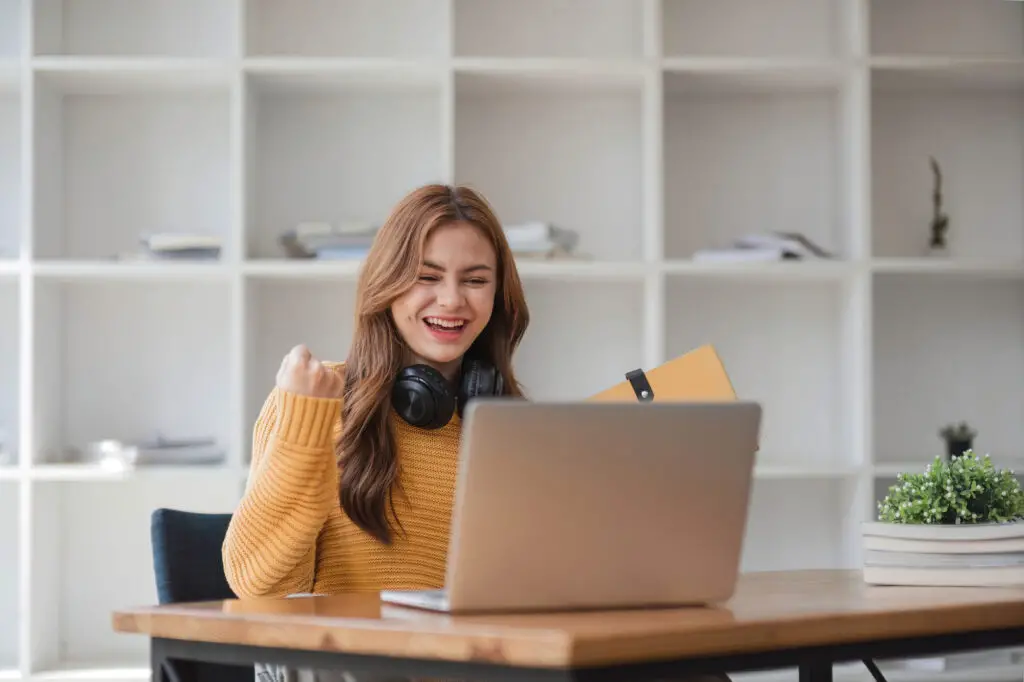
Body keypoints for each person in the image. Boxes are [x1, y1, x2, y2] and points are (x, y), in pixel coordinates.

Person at [221, 183, 530, 682]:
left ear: (498, 297)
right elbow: (258, 585)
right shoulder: (316, 398)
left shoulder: (513, 428)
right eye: (427, 276)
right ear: (388, 285)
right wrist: (305, 423)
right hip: (339, 664)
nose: (451, 300)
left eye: (475, 280)